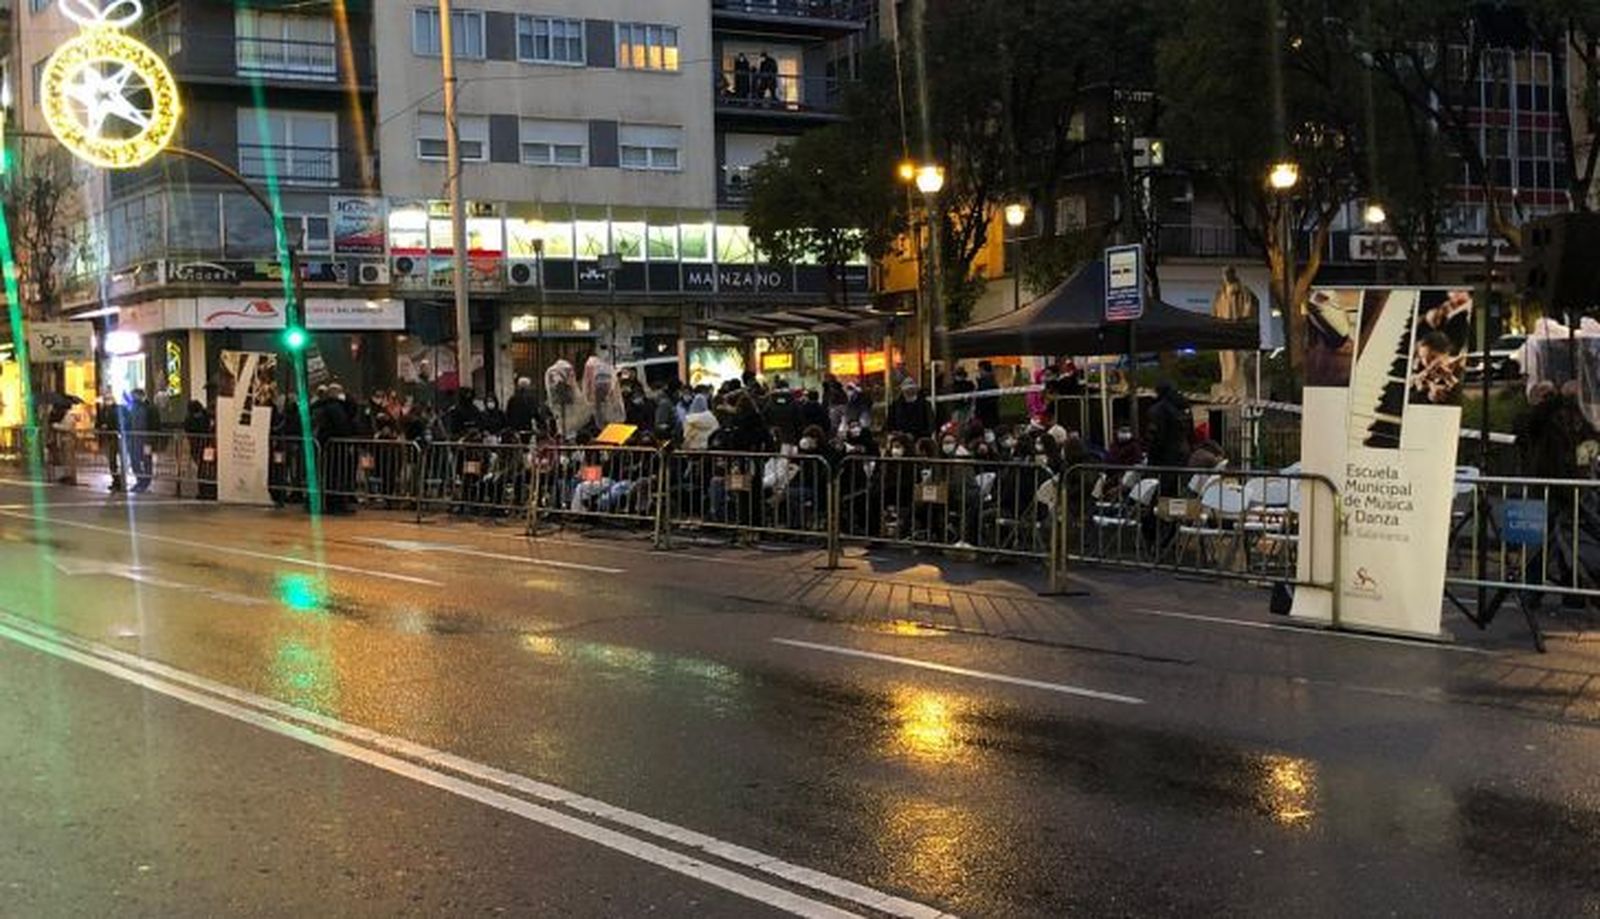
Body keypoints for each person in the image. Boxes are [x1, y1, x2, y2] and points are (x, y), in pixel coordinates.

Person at [1146, 382, 1192, 468]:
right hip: (1184, 452)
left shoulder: (1157, 408)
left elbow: (1154, 434)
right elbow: (1191, 431)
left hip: (1164, 454)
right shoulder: (1183, 406)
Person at [123, 388, 156, 493]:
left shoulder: (148, 408)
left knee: (146, 460)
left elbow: (153, 424)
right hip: (134, 440)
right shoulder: (131, 408)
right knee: (135, 461)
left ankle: (145, 482)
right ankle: (141, 481)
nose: (133, 398)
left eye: (134, 395)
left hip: (146, 439)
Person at [183, 400, 216, 500]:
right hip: (205, 445)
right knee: (205, 467)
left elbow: (188, 430)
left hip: (201, 445)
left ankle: (205, 489)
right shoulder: (205, 416)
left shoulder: (190, 419)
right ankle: (207, 489)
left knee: (203, 468)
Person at [96, 386, 124, 492]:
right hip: (108, 437)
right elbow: (98, 422)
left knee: (116, 460)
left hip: (115, 437)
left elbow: (118, 422)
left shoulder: (116, 409)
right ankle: (116, 480)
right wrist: (100, 427)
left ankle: (119, 481)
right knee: (111, 461)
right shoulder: (103, 409)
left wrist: (108, 426)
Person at [974, 360, 1001, 430]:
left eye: (980, 369)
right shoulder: (992, 380)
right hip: (990, 413)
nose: (979, 372)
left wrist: (978, 413)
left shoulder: (986, 381)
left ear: (983, 369)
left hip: (986, 414)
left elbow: (982, 399)